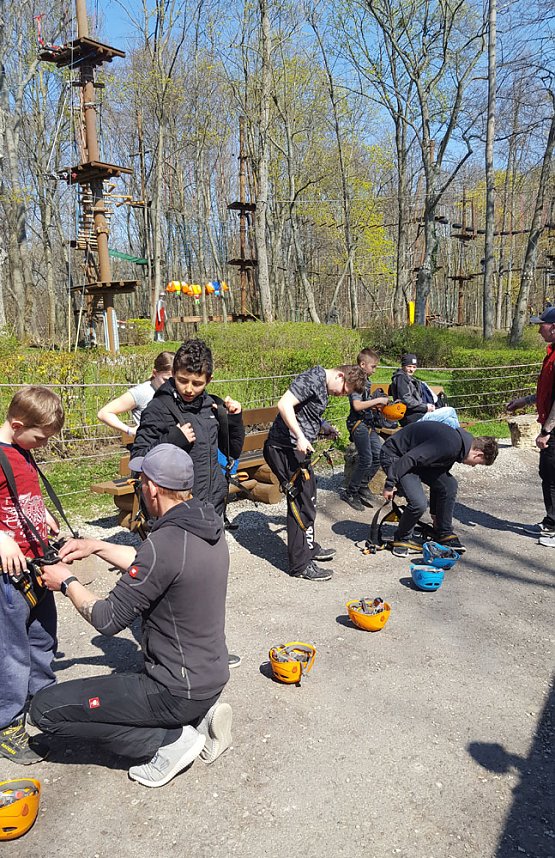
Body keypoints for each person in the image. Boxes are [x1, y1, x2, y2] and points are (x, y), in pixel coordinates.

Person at [30, 444, 232, 789]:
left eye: (140, 482)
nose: (139, 488)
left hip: (173, 691)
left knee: (45, 711)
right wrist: (97, 546)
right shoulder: (205, 525)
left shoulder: (164, 543)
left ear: (152, 488)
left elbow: (108, 619)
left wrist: (66, 582)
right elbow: (154, 562)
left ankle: (169, 741)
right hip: (207, 678)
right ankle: (201, 717)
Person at [0, 386, 66, 764]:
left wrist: (43, 519)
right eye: (40, 437)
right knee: (11, 653)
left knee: (42, 639)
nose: (43, 444)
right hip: (8, 574)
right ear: (17, 424)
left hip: (35, 566)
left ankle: (45, 703)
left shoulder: (21, 451)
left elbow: (20, 498)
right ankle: (7, 724)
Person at [264, 363, 366, 581]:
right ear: (340, 376)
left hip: (297, 451)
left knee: (309, 499)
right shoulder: (313, 377)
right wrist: (300, 436)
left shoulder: (322, 384)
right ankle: (300, 566)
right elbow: (284, 404)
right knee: (299, 503)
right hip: (284, 449)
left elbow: (307, 413)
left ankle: (308, 547)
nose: (340, 395)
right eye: (344, 390)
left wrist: (323, 426)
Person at [131, 340, 245, 519]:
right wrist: (173, 440)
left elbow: (234, 451)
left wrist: (234, 420)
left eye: (197, 383)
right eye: (182, 381)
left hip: (213, 506)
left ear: (209, 380)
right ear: (173, 374)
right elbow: (138, 458)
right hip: (175, 511)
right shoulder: (158, 408)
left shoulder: (212, 406)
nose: (189, 389)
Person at [380, 421, 499, 557]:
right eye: (478, 464)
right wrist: (390, 484)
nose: (473, 466)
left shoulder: (459, 448)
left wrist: (436, 515)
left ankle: (443, 532)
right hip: (396, 456)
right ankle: (401, 538)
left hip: (414, 460)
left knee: (449, 485)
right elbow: (410, 458)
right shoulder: (450, 446)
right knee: (418, 503)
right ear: (478, 455)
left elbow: (438, 482)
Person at [507, 306, 555, 546]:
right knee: (547, 474)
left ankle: (554, 527)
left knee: (552, 475)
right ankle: (551, 521)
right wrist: (523, 401)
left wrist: (546, 431)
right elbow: (548, 393)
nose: (538, 330)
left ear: (554, 328)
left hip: (554, 428)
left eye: (541, 325)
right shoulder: (551, 354)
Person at [341, 348, 390, 512]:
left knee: (378, 455)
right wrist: (376, 400)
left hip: (368, 423)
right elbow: (357, 405)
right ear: (363, 365)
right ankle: (350, 492)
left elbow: (365, 403)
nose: (375, 370)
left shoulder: (366, 381)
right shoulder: (357, 382)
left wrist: (376, 405)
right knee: (366, 459)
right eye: (373, 366)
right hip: (358, 424)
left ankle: (362, 485)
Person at [97, 351, 174, 442]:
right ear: (154, 373)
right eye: (165, 380)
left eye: (175, 380)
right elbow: (104, 413)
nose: (170, 385)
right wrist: (129, 430)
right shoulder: (142, 392)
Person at [390, 354, 460, 428]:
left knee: (450, 421)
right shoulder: (401, 378)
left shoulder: (409, 379)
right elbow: (406, 400)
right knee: (450, 410)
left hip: (419, 415)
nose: (412, 369)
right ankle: (463, 438)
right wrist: (426, 407)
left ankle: (455, 438)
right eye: (409, 366)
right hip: (412, 419)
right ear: (403, 366)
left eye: (414, 367)